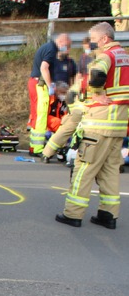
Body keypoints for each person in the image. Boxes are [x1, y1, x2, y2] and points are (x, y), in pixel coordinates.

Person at [55, 22, 129, 230]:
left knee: (83, 170)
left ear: (104, 38)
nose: (92, 46)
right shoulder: (126, 57)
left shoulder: (106, 56)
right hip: (118, 126)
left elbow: (96, 76)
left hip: (99, 125)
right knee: (110, 172)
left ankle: (73, 214)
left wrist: (97, 92)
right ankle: (108, 215)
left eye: (94, 41)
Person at [28, 33, 71, 156]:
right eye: (67, 46)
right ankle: (37, 149)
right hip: (39, 84)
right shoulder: (52, 49)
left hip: (35, 83)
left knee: (37, 115)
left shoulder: (48, 47)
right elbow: (44, 68)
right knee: (41, 115)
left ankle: (33, 147)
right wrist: (50, 85)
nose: (66, 49)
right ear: (62, 41)